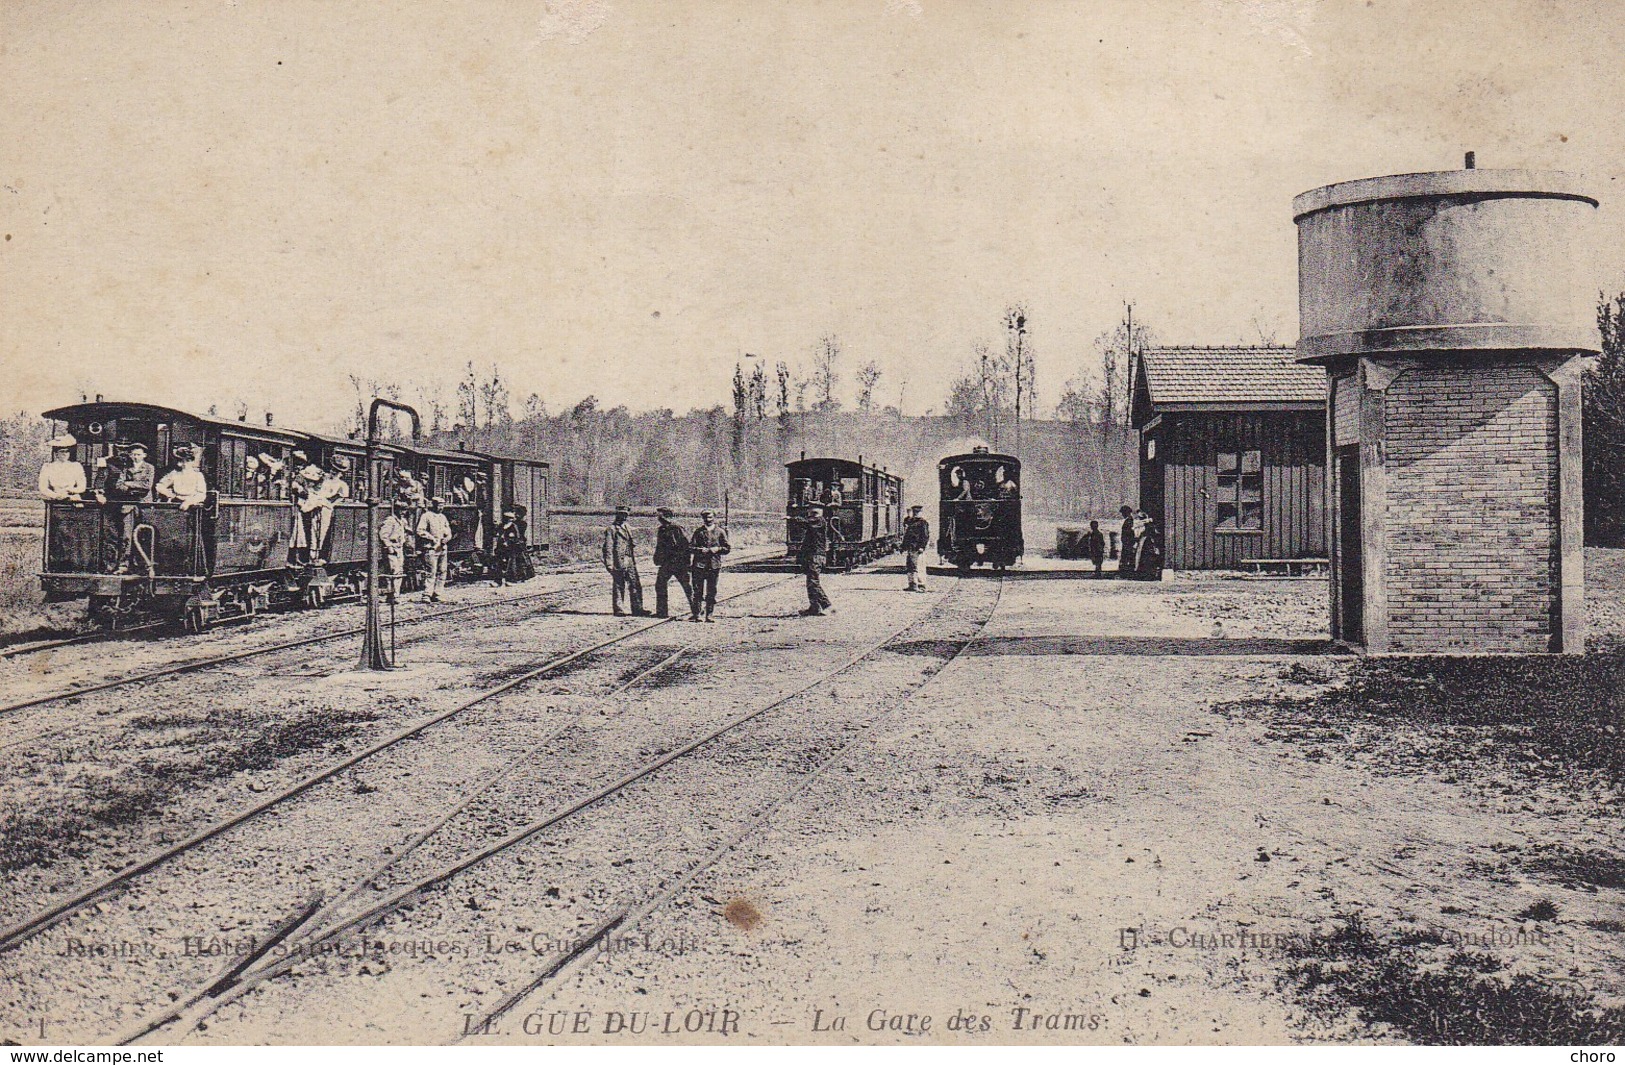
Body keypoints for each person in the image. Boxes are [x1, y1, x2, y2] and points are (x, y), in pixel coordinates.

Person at [98, 442, 155, 573]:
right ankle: (123, 565)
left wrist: (129, 485)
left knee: (144, 535)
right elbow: (119, 485)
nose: (135, 457)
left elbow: (146, 486)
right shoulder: (126, 468)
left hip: (144, 506)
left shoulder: (149, 468)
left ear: (144, 455)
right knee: (126, 535)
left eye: (138, 454)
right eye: (134, 454)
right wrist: (133, 488)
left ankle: (142, 565)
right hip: (128, 505)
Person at [602, 505, 647, 616]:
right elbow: (608, 547)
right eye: (621, 514)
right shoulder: (611, 529)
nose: (624, 517)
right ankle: (619, 609)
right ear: (617, 515)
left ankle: (637, 609)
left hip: (630, 560)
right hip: (619, 561)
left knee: (635, 584)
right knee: (619, 585)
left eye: (625, 515)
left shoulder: (627, 527)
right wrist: (609, 564)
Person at [688, 509, 731, 622]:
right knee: (697, 591)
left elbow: (727, 548)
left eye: (710, 517)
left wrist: (717, 549)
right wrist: (700, 550)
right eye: (705, 518)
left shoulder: (720, 532)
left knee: (711, 591)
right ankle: (697, 614)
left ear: (714, 518)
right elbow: (691, 547)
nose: (708, 520)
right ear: (703, 519)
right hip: (699, 566)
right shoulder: (698, 532)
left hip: (714, 566)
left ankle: (709, 615)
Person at [651, 506, 693, 619]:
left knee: (687, 586)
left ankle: (697, 610)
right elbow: (660, 546)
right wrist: (657, 558)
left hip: (679, 563)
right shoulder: (661, 529)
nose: (658, 518)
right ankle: (662, 612)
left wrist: (687, 563)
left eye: (660, 515)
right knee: (660, 585)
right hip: (666, 563)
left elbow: (686, 545)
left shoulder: (677, 528)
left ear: (666, 516)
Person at [797, 504, 839, 617]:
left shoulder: (820, 522)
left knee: (813, 582)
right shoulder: (816, 522)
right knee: (810, 583)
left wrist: (792, 519)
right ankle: (814, 608)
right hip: (812, 556)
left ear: (819, 513)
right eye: (810, 513)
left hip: (816, 556)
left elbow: (806, 523)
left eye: (814, 513)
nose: (811, 516)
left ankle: (827, 605)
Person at [416, 495, 453, 603]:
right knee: (431, 572)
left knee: (442, 571)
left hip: (442, 548)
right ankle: (426, 594)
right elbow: (420, 530)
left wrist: (447, 539)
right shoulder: (426, 516)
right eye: (439, 505)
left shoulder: (443, 517)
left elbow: (448, 531)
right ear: (434, 505)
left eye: (442, 505)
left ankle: (437, 593)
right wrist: (431, 538)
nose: (441, 508)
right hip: (431, 548)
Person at [156, 444, 209, 509]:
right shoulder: (174, 474)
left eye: (186, 461)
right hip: (175, 504)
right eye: (180, 461)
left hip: (192, 506)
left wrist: (188, 502)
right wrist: (167, 493)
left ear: (192, 461)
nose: (182, 464)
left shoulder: (198, 476)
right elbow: (159, 486)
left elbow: (201, 495)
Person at [379, 499, 410, 603]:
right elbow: (383, 535)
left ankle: (395, 594)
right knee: (393, 571)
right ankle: (392, 595)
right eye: (401, 509)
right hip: (392, 548)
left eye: (405, 510)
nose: (403, 512)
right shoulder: (390, 520)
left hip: (399, 547)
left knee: (399, 571)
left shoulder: (402, 521)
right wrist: (389, 547)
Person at [39, 435, 86, 502]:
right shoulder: (48, 467)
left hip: (72, 499)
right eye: (62, 451)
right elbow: (43, 488)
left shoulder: (76, 466)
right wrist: (56, 496)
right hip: (55, 500)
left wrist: (71, 490)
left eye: (67, 451)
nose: (65, 454)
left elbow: (82, 486)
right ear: (56, 453)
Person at [491, 507, 527, 587]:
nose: (510, 520)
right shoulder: (502, 526)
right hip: (501, 547)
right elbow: (497, 535)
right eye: (508, 518)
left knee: (511, 564)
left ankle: (510, 580)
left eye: (511, 518)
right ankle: (498, 581)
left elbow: (516, 537)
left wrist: (509, 542)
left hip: (511, 548)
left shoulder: (514, 526)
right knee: (498, 564)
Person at [901, 503, 930, 592]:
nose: (915, 513)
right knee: (910, 566)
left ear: (920, 512)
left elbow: (925, 536)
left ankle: (921, 585)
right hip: (911, 547)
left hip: (918, 547)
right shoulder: (911, 522)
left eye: (917, 512)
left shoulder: (923, 522)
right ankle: (912, 584)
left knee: (919, 566)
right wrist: (903, 546)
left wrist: (922, 546)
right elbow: (906, 533)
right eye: (914, 512)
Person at [1135, 517, 1164, 581]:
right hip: (1147, 551)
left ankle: (1151, 574)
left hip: (1151, 550)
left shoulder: (1152, 535)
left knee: (1151, 561)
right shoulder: (1144, 535)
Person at [1118, 505, 1138, 579]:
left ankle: (1127, 574)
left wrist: (1128, 542)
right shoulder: (1129, 520)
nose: (1122, 514)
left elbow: (1129, 533)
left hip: (1128, 543)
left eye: (1123, 513)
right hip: (1127, 542)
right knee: (1127, 558)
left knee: (1127, 558)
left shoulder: (1129, 520)